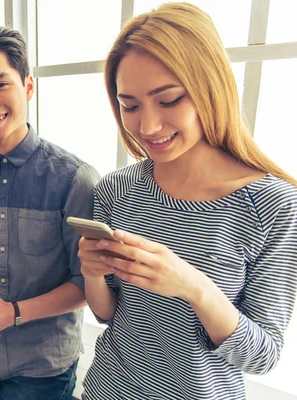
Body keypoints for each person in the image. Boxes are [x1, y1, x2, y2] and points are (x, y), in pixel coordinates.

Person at [79, 3, 297, 399]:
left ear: (209, 87)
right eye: (129, 106)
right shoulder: (116, 189)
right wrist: (92, 271)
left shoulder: (275, 206)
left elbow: (263, 355)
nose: (147, 126)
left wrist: (195, 287)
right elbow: (108, 314)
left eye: (169, 100)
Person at [0, 27, 100, 400]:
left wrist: (13, 313)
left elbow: (86, 286)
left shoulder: (73, 178)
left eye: (1, 85)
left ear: (28, 86)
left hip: (42, 365)